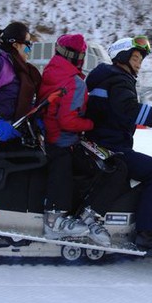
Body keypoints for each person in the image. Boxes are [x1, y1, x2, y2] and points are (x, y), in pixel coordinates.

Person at [85, 36, 152, 249]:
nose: (139, 63)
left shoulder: (107, 77)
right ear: (122, 56)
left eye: (141, 58)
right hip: (109, 148)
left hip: (101, 144)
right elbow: (129, 110)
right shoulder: (118, 79)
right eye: (136, 57)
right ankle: (147, 233)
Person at [38, 33, 111, 246]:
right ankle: (62, 219)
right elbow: (68, 121)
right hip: (64, 139)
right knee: (98, 168)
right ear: (77, 57)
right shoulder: (74, 82)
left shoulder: (51, 72)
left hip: (49, 137)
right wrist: (91, 124)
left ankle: (67, 214)